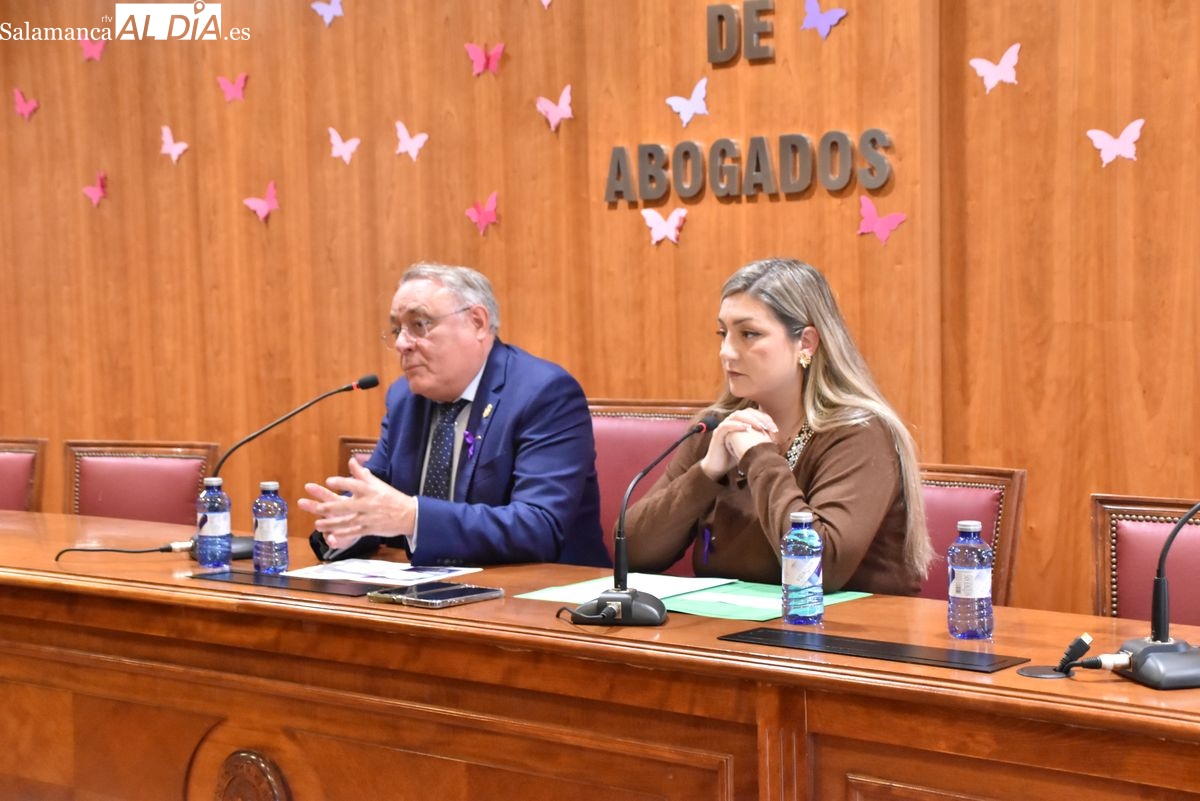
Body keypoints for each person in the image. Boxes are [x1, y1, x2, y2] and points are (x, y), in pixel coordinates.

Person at [625, 257, 932, 594]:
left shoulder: (859, 434)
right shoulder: (716, 428)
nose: (727, 352)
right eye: (723, 333)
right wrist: (706, 473)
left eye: (749, 334)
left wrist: (759, 457)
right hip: (727, 625)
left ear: (806, 343)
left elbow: (820, 568)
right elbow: (632, 553)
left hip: (846, 625)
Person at [300, 263, 610, 568]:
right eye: (396, 330)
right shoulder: (405, 398)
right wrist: (348, 524)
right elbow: (380, 501)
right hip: (428, 588)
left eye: (419, 324)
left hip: (544, 590)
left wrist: (414, 517)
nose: (402, 343)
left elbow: (539, 526)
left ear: (477, 322)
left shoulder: (543, 393)